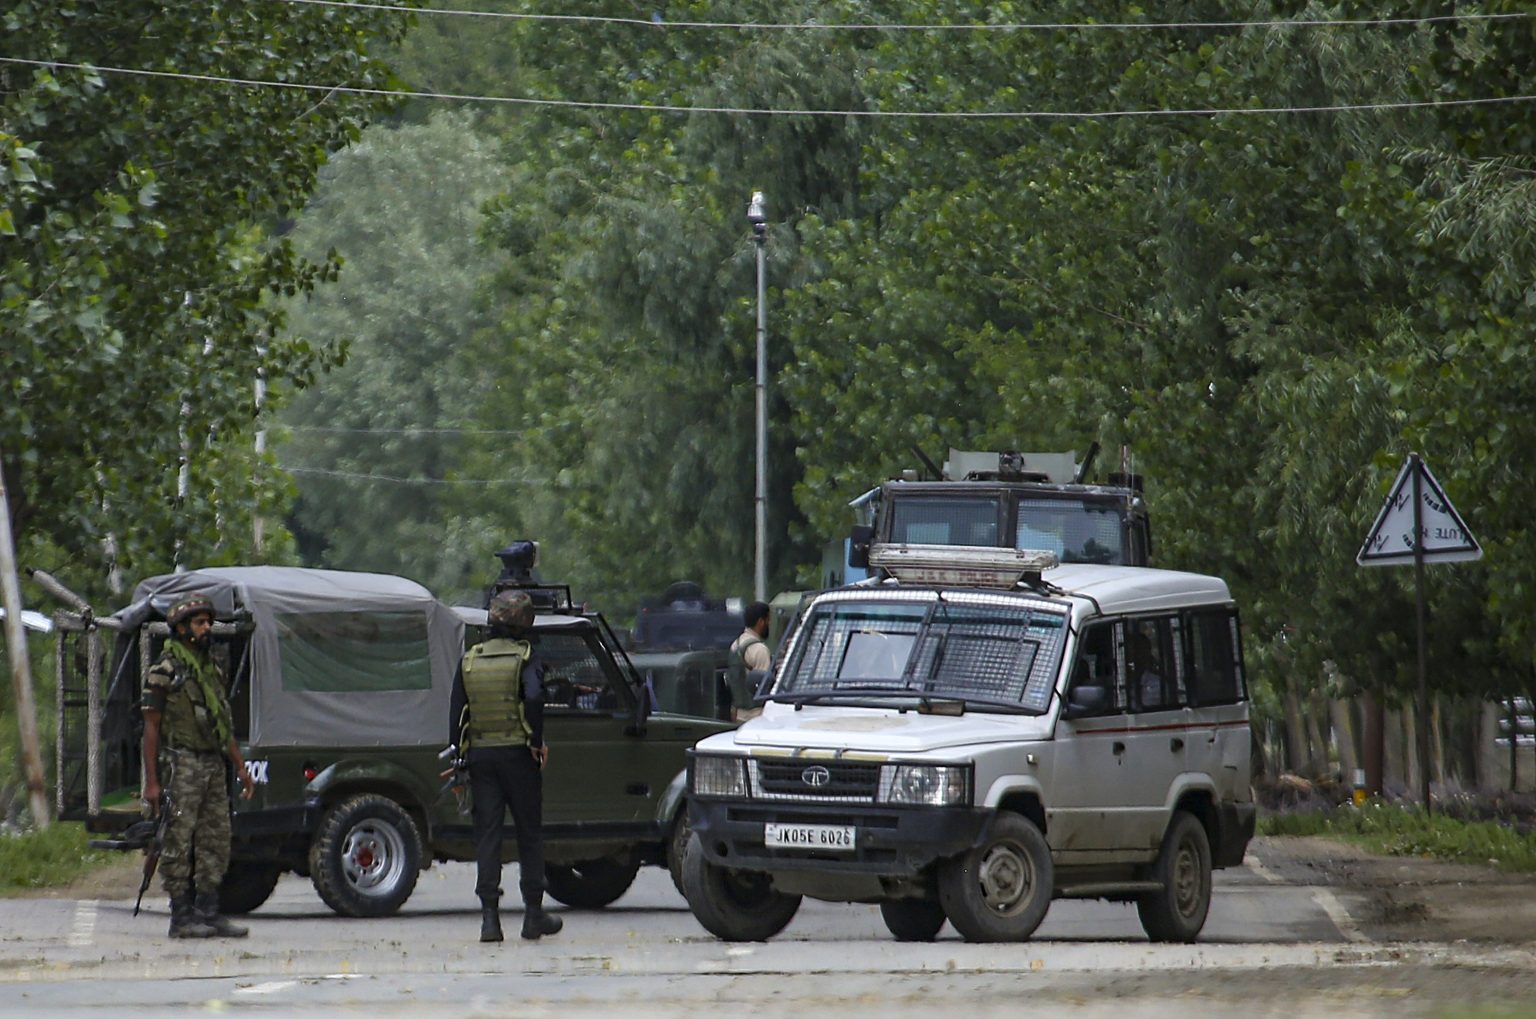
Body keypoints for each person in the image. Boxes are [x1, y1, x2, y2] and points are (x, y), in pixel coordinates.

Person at [139, 595, 257, 939]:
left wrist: (240, 766)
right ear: (181, 628)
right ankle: (181, 916)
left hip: (211, 764)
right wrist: (152, 782)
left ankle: (208, 910)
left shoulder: (211, 669)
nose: (207, 628)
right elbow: (150, 727)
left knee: (216, 838)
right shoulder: (164, 671)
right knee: (177, 839)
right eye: (199, 622)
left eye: (208, 622)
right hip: (182, 763)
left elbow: (222, 723)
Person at [450, 589, 563, 943]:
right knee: (529, 833)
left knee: (488, 836)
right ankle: (533, 915)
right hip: (517, 756)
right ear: (524, 622)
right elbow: (533, 698)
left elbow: (456, 712)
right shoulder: (525, 657)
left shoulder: (470, 659)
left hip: (481, 758)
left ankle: (489, 919)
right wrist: (535, 742)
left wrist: (459, 759)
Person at [727, 600, 772, 721]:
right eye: (768, 620)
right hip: (758, 716)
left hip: (739, 715)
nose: (769, 624)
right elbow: (764, 687)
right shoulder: (759, 649)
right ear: (761, 622)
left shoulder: (735, 645)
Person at [1127, 631, 1167, 710]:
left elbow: (1147, 707)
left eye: (1139, 651)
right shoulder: (1119, 686)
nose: (1136, 657)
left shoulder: (1157, 684)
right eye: (1131, 651)